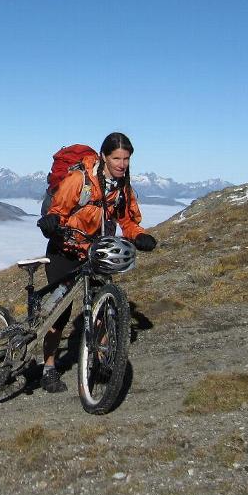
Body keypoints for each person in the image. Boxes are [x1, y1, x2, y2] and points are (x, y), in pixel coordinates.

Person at [33, 132, 158, 393]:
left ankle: (101, 363)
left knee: (104, 307)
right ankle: (48, 368)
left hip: (97, 253)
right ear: (104, 156)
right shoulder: (79, 179)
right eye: (116, 158)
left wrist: (139, 236)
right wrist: (52, 222)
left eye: (126, 159)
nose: (122, 164)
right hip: (65, 251)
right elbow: (58, 208)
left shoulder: (123, 188)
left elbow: (128, 222)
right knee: (60, 313)